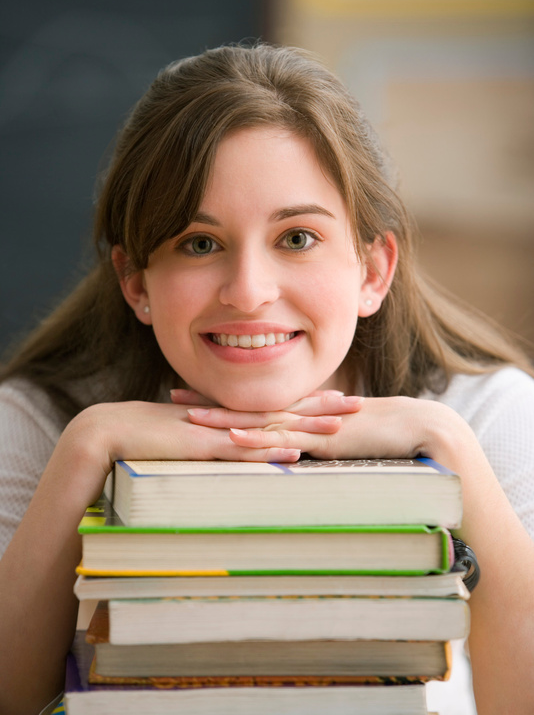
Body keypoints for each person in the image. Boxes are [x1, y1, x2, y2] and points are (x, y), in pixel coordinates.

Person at [0, 43, 533, 715]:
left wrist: (452, 451)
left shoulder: (487, 412)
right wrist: (84, 450)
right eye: (200, 243)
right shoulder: (37, 419)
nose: (249, 293)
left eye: (297, 238)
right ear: (136, 282)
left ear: (372, 271)